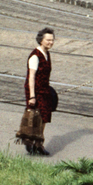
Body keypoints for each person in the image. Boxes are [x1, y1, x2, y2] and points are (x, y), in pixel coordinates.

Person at [16, 28, 57, 156]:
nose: (50, 42)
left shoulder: (47, 54)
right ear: (41, 40)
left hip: (45, 90)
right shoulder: (35, 56)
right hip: (35, 91)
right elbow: (31, 77)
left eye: (52, 40)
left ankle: (38, 144)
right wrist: (32, 96)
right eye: (48, 40)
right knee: (34, 117)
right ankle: (31, 142)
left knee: (44, 118)